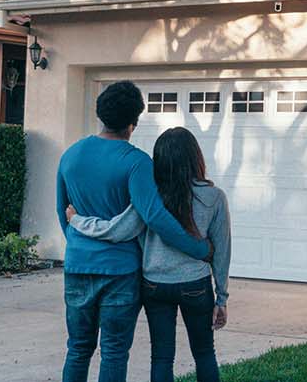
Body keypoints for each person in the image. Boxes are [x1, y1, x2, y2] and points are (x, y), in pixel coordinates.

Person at [55, 81, 212, 382]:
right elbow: (156, 217)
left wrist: (81, 246)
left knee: (77, 348)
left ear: (100, 115)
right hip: (120, 271)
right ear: (134, 122)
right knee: (113, 351)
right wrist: (199, 249)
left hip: (77, 265)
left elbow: (63, 213)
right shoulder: (137, 162)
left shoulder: (70, 156)